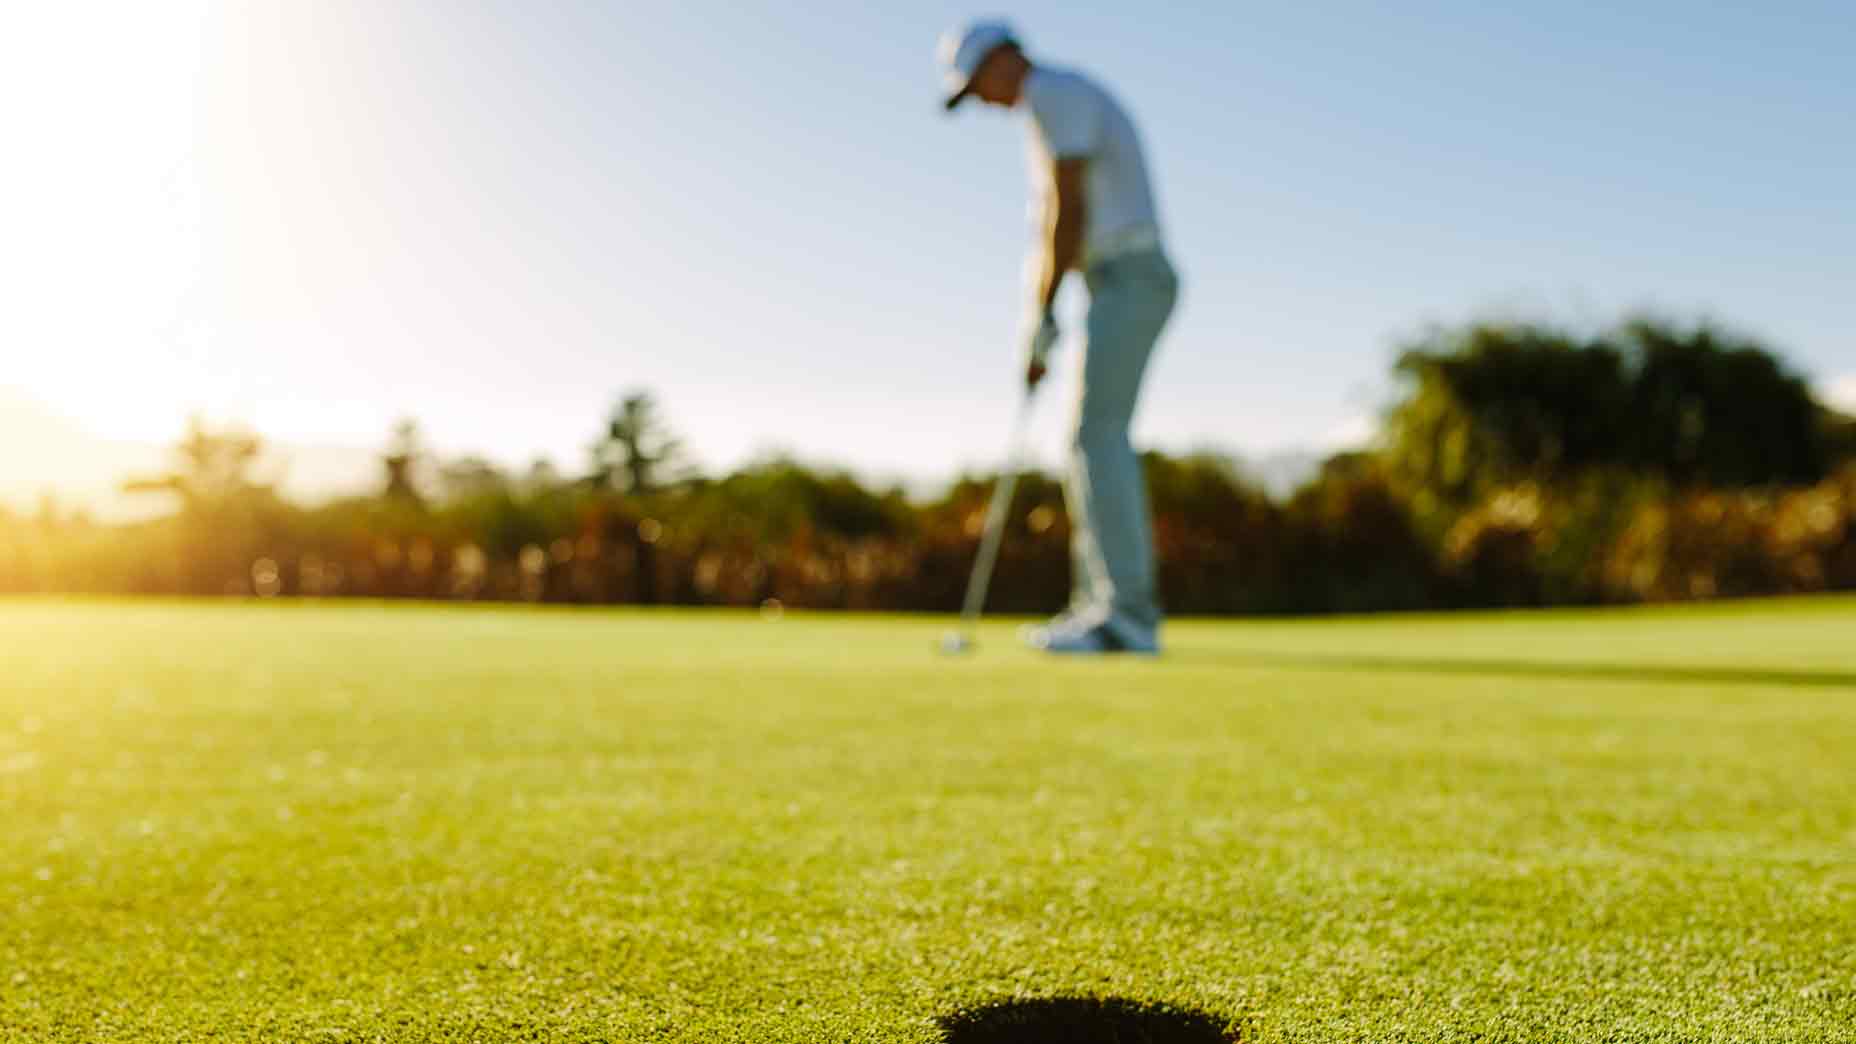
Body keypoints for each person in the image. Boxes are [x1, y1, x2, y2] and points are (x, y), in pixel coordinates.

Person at [939, 20, 1180, 655]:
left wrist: (1043, 313)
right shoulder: (1051, 104)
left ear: (1004, 60)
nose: (983, 102)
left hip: (1131, 275)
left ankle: (1125, 617)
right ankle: (1100, 607)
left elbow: (1065, 211)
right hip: (1112, 282)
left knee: (1096, 436)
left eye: (977, 86)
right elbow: (1059, 219)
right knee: (1088, 439)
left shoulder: (1054, 94)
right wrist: (1041, 320)